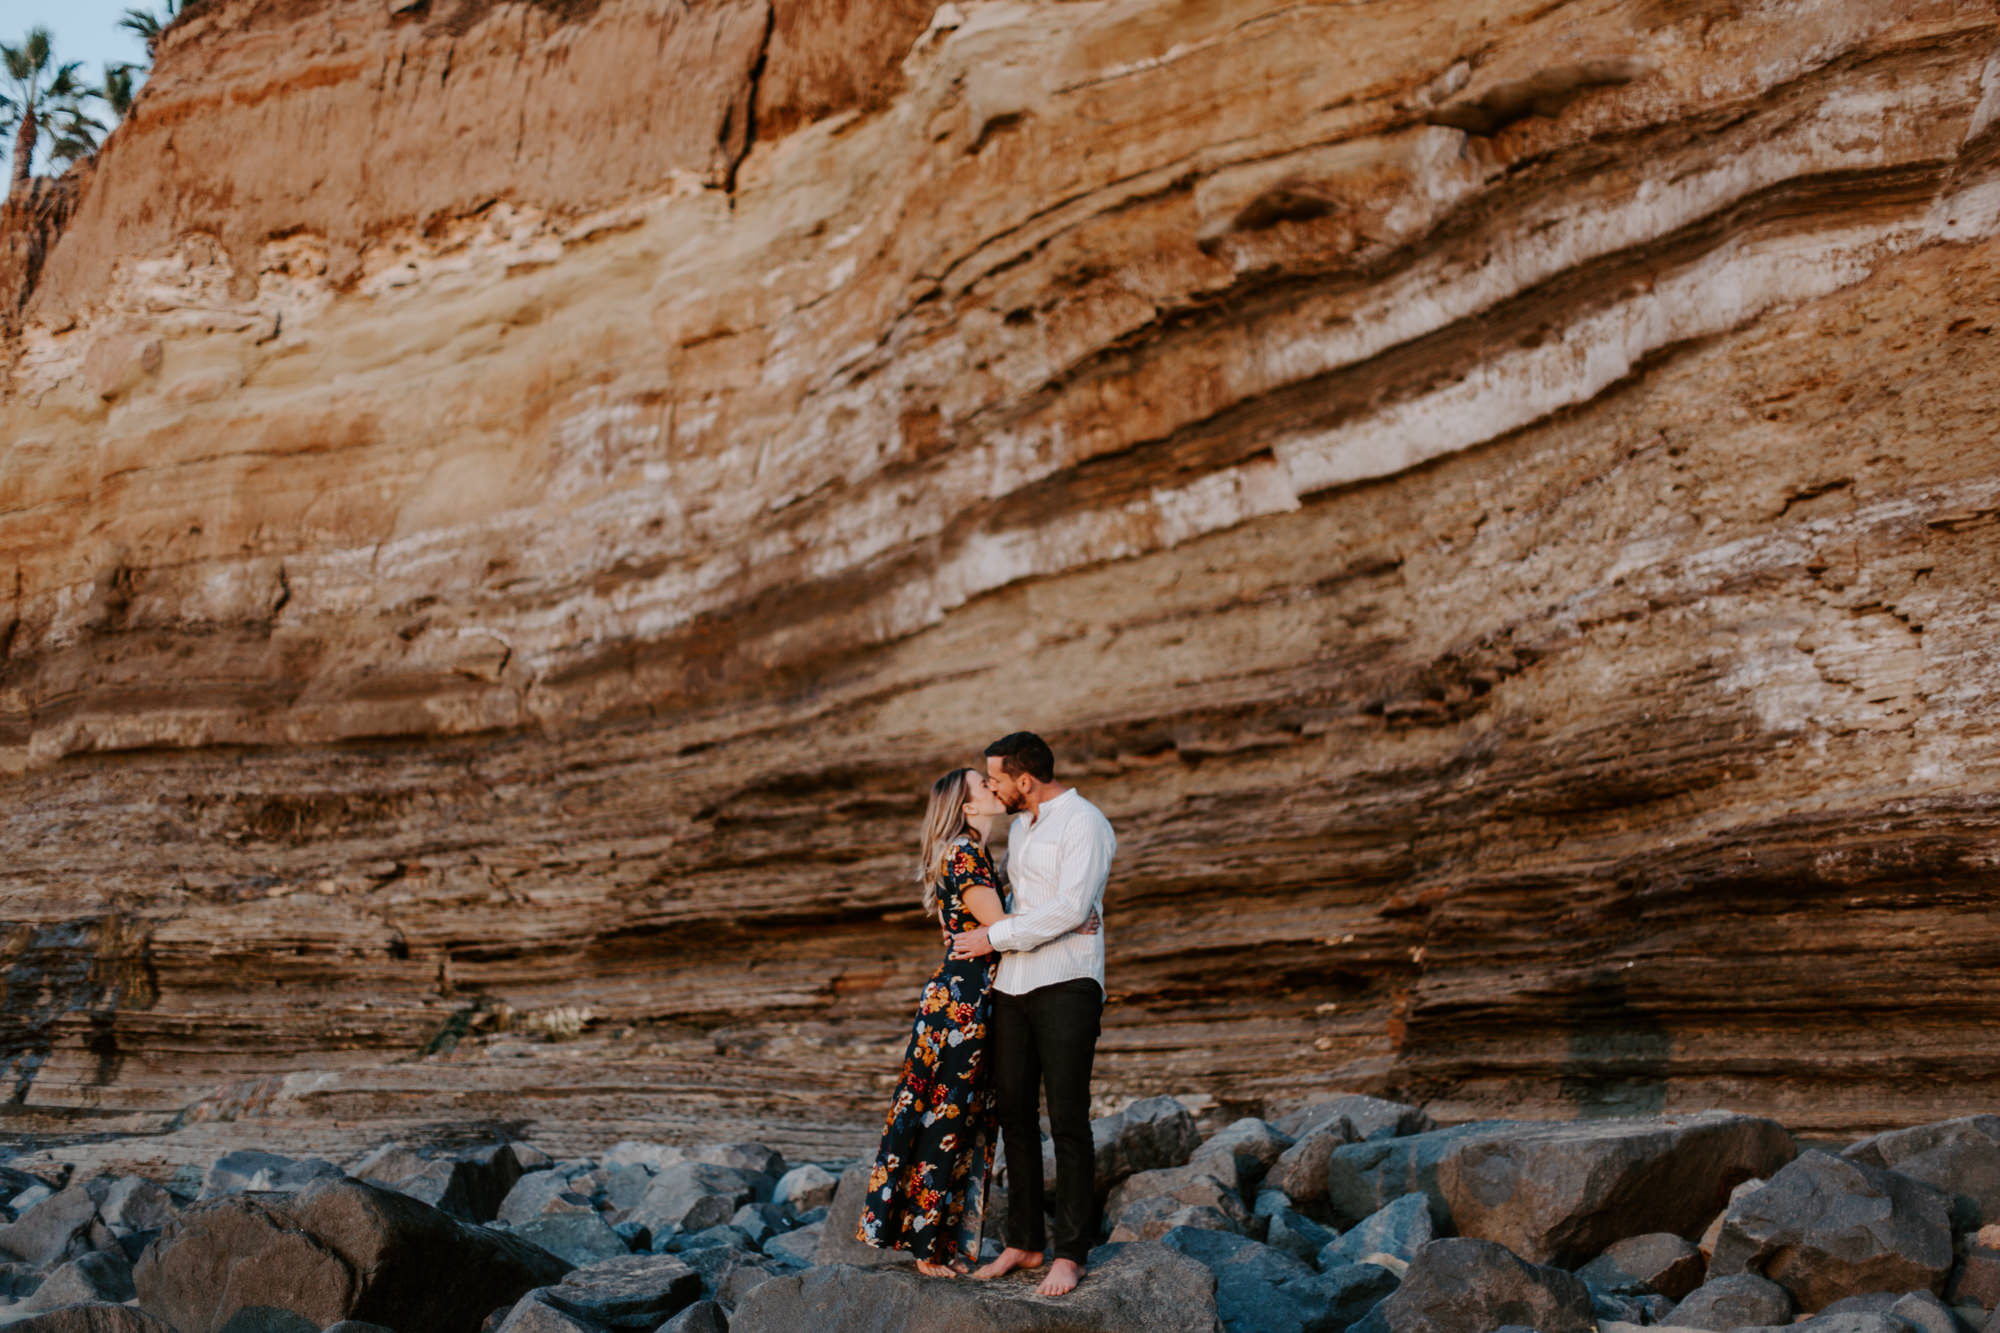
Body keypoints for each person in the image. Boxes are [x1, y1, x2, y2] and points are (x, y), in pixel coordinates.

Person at [855, 767, 1099, 1277]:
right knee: (946, 1118)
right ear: (966, 808)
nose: (994, 789)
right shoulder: (964, 854)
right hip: (962, 1005)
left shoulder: (977, 854)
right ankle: (926, 1248)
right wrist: (1073, 917)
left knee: (957, 1118)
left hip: (973, 999)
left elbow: (1004, 922)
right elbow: (1002, 926)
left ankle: (936, 1241)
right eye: (982, 786)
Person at [950, 731, 1116, 1298]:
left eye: (997, 777)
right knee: (1016, 1116)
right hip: (1014, 985)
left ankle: (1070, 1253)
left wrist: (996, 935)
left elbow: (1071, 906)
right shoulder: (1021, 828)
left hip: (1068, 982)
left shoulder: (1085, 823)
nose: (992, 785)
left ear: (1026, 780)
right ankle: (1024, 1241)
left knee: (1069, 1120)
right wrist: (1025, 925)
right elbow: (1038, 903)